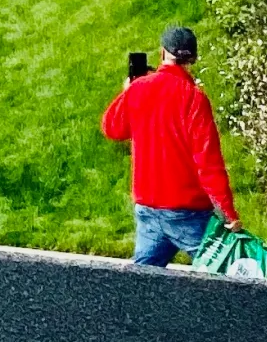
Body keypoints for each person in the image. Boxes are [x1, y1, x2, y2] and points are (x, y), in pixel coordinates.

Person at [102, 25, 242, 266]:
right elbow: (208, 163)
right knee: (226, 276)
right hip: (188, 211)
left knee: (143, 282)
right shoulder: (194, 97)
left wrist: (126, 92)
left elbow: (112, 128)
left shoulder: (139, 88)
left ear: (162, 53)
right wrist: (228, 213)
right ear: (193, 58)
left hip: (147, 206)